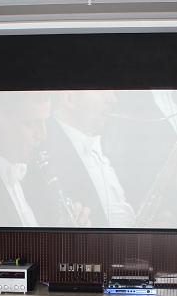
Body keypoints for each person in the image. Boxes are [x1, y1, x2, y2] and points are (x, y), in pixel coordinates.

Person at [0, 93, 90, 228]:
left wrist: (62, 230)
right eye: (31, 123)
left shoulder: (38, 173)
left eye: (45, 122)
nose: (43, 136)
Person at [43, 90, 136, 228]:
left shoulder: (110, 145)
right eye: (103, 90)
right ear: (69, 98)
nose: (113, 99)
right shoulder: (43, 156)